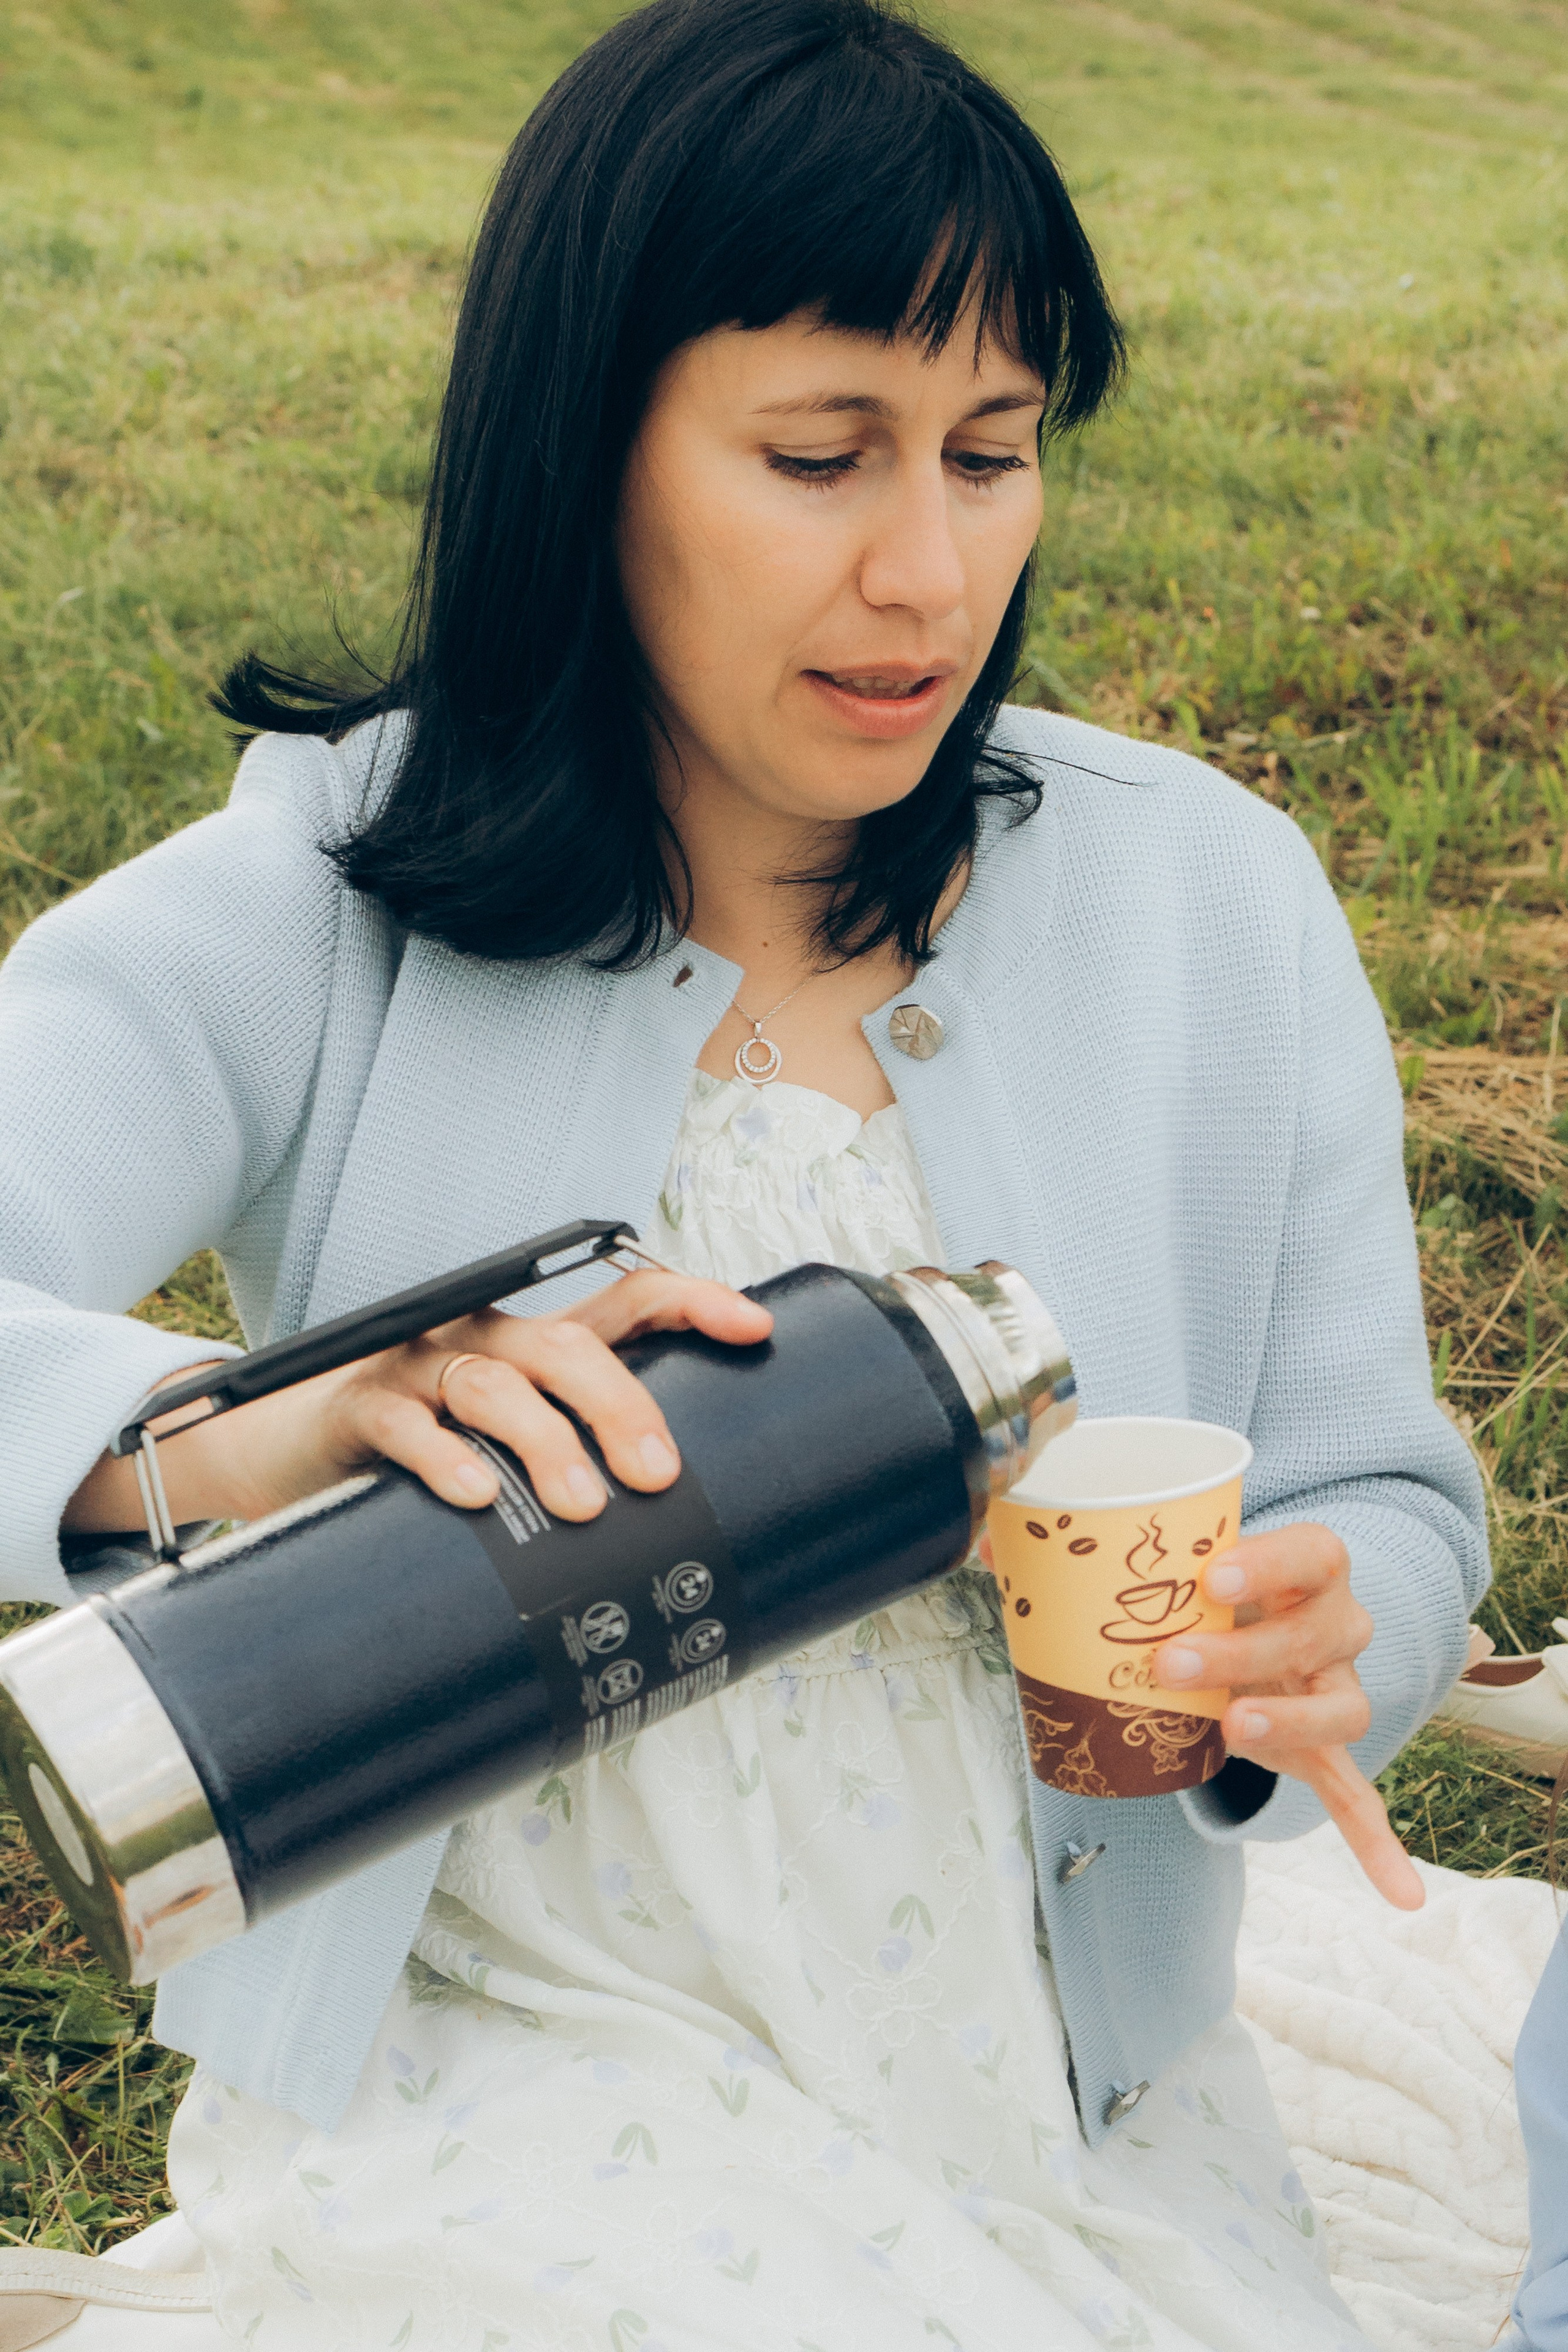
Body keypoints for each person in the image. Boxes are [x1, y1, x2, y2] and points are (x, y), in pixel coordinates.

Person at [0, 0, 1487, 2342]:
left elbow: (1389, 1489)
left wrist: (1327, 1642)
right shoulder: (332, 885)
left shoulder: (1209, 896)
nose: (928, 571)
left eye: (991, 454)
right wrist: (277, 1424)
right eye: (821, 456)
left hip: (1063, 2079)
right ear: (590, 452)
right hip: (490, 2068)